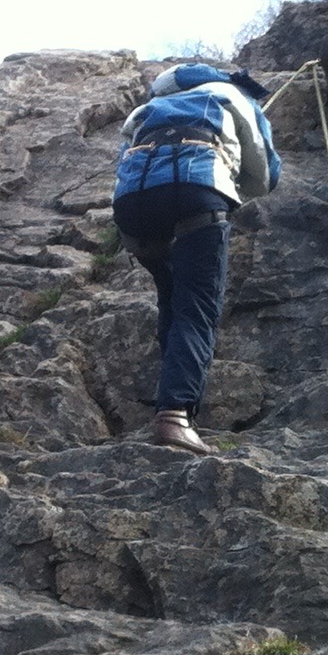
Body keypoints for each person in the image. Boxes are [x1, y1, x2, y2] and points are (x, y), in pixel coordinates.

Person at [111, 61, 281, 455]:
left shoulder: (144, 112)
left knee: (172, 297)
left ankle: (169, 404)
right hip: (195, 190)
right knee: (196, 306)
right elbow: (266, 174)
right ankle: (174, 417)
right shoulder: (231, 95)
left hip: (133, 207)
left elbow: (123, 165)